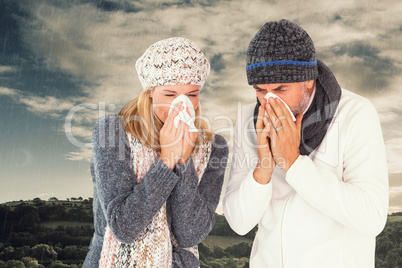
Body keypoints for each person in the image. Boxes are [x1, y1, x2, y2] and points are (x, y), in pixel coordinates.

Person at [223, 19, 389, 268]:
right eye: (259, 90)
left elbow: (372, 217)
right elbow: (239, 223)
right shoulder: (249, 118)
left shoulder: (356, 113)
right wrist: (263, 169)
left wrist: (293, 164)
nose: (269, 102)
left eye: (281, 89)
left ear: (308, 80)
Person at [83, 37, 228, 268]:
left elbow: (190, 234)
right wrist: (167, 158)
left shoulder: (214, 148)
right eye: (170, 95)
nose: (181, 105)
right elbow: (124, 227)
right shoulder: (112, 132)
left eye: (192, 94)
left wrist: (184, 160)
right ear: (150, 92)